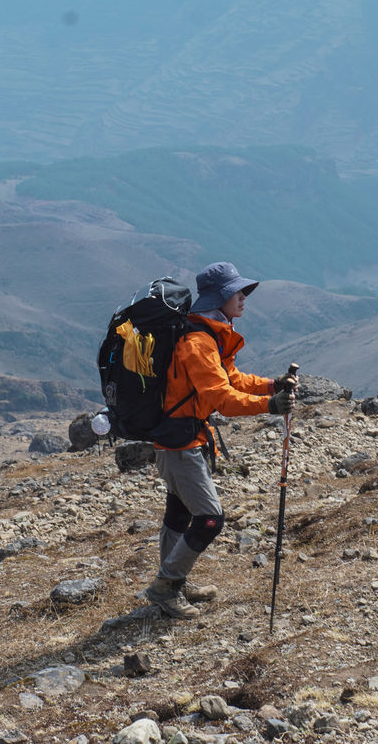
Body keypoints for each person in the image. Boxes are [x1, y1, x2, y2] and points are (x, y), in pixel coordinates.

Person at [144, 261, 297, 619]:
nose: (243, 297)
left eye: (243, 291)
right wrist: (270, 405)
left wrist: (272, 385)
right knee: (210, 518)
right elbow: (222, 400)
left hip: (182, 436)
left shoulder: (210, 334)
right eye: (236, 292)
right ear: (218, 297)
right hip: (179, 443)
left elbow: (232, 380)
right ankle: (165, 587)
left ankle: (174, 579)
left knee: (180, 512)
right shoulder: (198, 342)